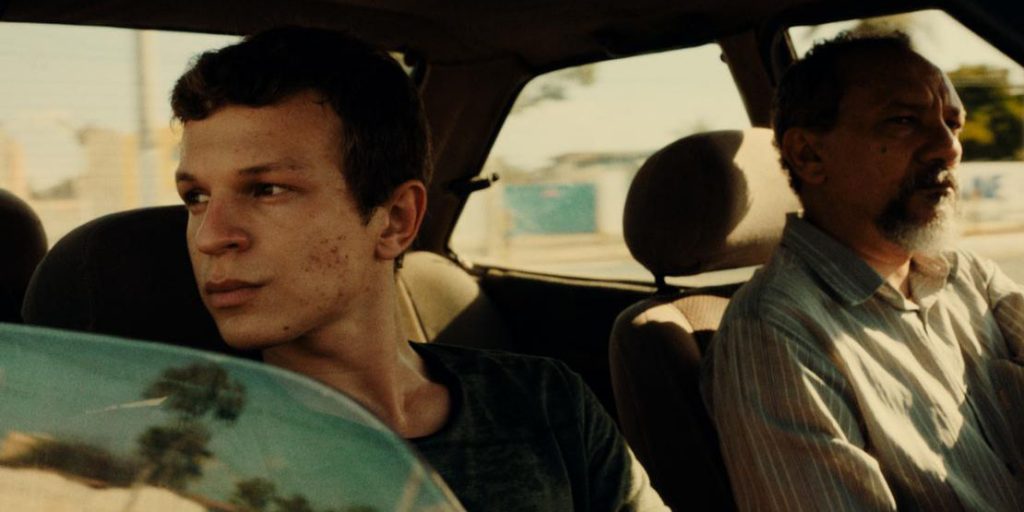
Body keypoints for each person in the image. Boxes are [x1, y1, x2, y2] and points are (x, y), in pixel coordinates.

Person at [171, 26, 665, 511]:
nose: (210, 236)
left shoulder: (544, 401)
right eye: (196, 197)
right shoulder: (175, 452)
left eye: (267, 189)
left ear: (395, 220)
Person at [702, 32, 1024, 510]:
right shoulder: (775, 333)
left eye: (952, 124)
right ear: (809, 155)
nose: (949, 148)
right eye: (903, 121)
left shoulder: (968, 275)